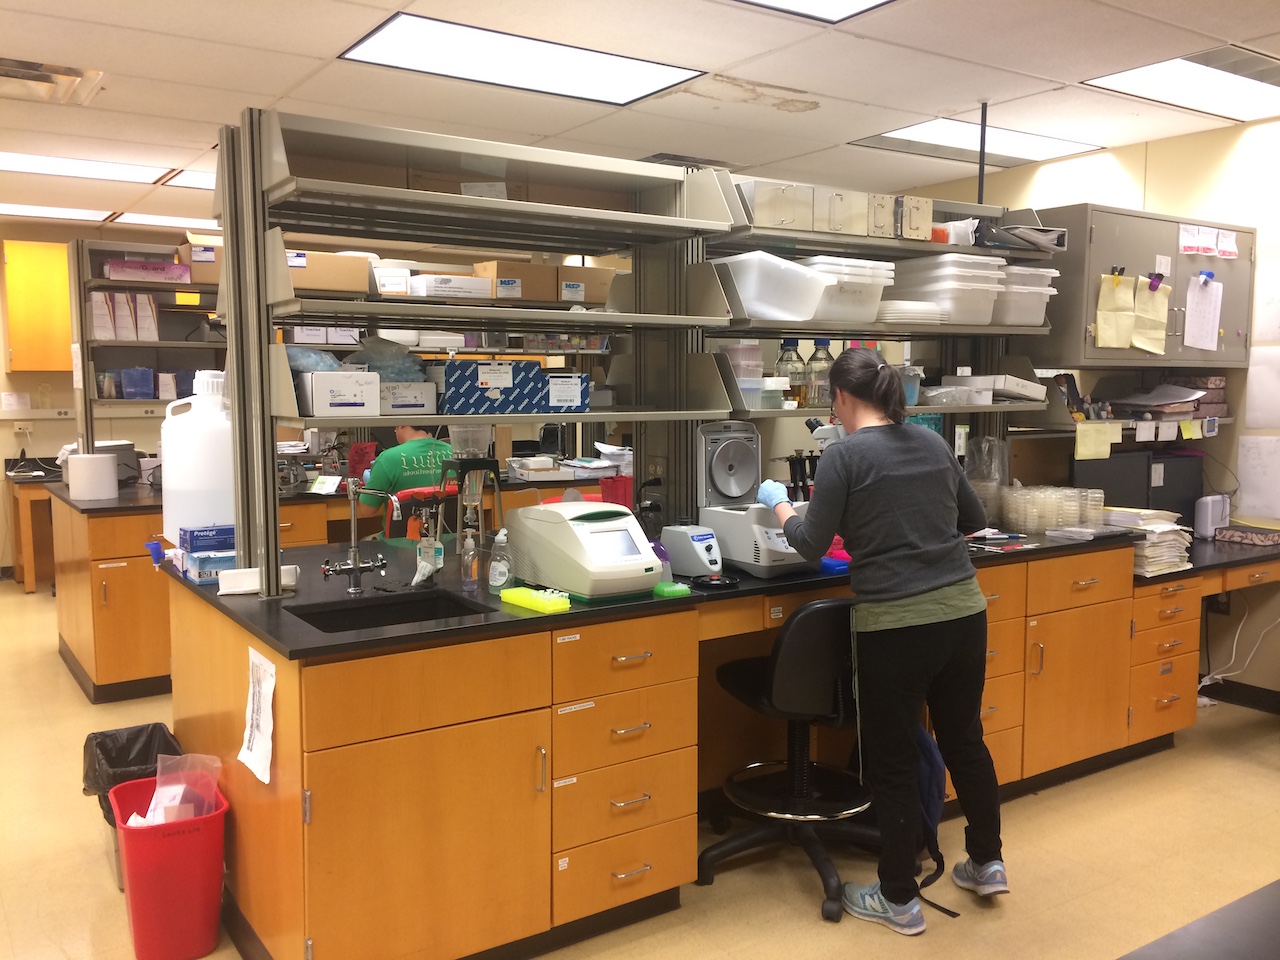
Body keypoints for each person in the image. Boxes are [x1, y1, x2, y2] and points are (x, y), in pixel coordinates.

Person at [755, 348, 1005, 937]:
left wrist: (780, 503)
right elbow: (971, 519)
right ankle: (987, 863)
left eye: (832, 403)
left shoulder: (843, 454)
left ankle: (898, 898)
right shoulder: (932, 443)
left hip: (896, 626)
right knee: (966, 743)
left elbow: (811, 543)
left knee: (890, 761)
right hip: (964, 615)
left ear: (841, 398)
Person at [357, 425, 452, 532]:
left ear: (401, 425)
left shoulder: (388, 458)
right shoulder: (455, 453)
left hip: (399, 544)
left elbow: (366, 510)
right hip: (451, 541)